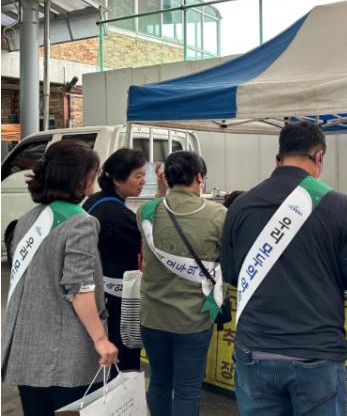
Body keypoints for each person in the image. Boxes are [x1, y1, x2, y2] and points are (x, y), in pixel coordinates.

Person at [220, 121, 347, 416]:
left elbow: (230, 273)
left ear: (278, 158)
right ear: (319, 157)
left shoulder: (241, 204)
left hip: (255, 349)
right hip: (315, 351)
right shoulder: (336, 204)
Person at [1, 140, 118, 416]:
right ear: (81, 178)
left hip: (28, 349)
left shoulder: (28, 220)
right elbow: (80, 289)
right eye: (93, 172)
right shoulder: (80, 222)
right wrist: (100, 339)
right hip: (67, 356)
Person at [137, 150, 227, 416]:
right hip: (193, 318)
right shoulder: (217, 214)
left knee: (159, 382)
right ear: (200, 177)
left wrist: (161, 189)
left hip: (152, 317)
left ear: (166, 177)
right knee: (187, 389)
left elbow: (157, 208)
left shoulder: (145, 211)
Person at [83, 148, 146, 374]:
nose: (143, 181)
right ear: (118, 179)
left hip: (100, 294)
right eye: (138, 176)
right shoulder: (117, 215)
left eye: (144, 175)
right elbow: (147, 243)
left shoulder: (95, 201)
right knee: (124, 359)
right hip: (120, 301)